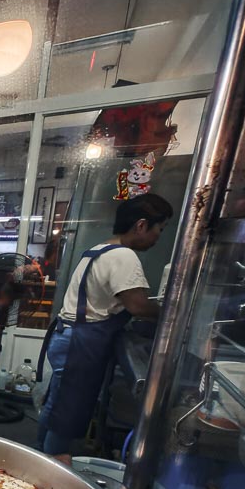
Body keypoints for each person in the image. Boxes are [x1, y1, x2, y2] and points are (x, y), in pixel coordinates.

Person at [36, 193, 173, 462]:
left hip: (71, 336)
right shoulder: (123, 256)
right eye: (159, 229)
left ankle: (42, 455)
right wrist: (174, 314)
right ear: (142, 225)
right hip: (82, 342)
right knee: (68, 411)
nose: (158, 237)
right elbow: (138, 306)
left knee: (58, 405)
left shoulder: (98, 249)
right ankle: (51, 466)